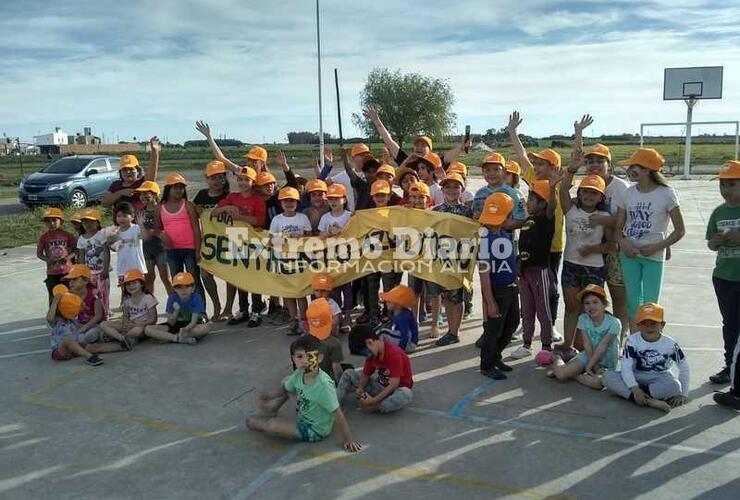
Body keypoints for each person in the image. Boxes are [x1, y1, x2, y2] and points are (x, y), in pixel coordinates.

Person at [509, 112, 580, 342]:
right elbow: (521, 156)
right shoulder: (533, 178)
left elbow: (574, 163)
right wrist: (512, 132)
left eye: (541, 163)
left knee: (551, 287)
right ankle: (526, 321)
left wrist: (578, 134)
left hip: (553, 246)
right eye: (536, 163)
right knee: (528, 287)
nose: (536, 166)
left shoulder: (561, 184)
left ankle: (551, 324)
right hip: (531, 244)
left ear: (554, 167)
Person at [246, 334, 362, 451]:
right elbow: (285, 388)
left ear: (319, 358)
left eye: (309, 356)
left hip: (314, 429)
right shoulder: (299, 373)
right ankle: (273, 409)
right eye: (300, 356)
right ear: (293, 359)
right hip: (304, 410)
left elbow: (338, 414)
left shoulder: (324, 386)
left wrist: (348, 439)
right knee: (286, 380)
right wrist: (269, 396)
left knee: (272, 425)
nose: (304, 361)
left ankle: (262, 424)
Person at [614, 148, 686, 331]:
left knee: (651, 304)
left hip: (653, 256)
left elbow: (680, 230)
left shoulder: (666, 193)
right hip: (629, 255)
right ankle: (634, 343)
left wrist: (658, 247)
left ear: (647, 169)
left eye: (634, 167)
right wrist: (624, 244)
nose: (629, 170)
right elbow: (617, 230)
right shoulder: (628, 193)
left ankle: (651, 343)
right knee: (633, 301)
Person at [557, 156, 615, 349]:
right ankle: (568, 345)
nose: (589, 196)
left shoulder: (604, 217)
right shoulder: (571, 210)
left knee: (591, 310)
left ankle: (587, 348)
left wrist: (593, 249)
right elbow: (563, 189)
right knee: (572, 307)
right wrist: (571, 170)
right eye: (585, 192)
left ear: (601, 197)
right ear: (580, 193)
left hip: (594, 268)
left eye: (594, 193)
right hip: (571, 265)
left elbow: (612, 246)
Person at [578, 140, 631, 342]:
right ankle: (592, 340)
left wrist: (604, 220)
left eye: (600, 161)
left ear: (609, 163)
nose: (594, 165)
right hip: (591, 253)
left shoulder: (621, 188)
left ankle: (618, 339)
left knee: (619, 298)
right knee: (593, 299)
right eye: (590, 161)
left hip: (615, 250)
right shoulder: (587, 185)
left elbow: (628, 219)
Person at [603, 303, 689, 412]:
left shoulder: (670, 344)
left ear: (662, 324)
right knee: (607, 377)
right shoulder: (632, 341)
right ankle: (650, 401)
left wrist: (683, 394)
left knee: (675, 386)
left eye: (653, 323)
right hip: (637, 375)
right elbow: (626, 367)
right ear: (638, 325)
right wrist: (634, 388)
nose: (648, 327)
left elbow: (684, 366)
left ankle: (638, 396)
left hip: (660, 376)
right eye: (644, 323)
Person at [211, 165, 267, 327]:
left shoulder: (257, 200)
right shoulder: (232, 197)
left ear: (253, 182)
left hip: (254, 241)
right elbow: (214, 213)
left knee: (254, 276)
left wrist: (241, 217)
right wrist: (226, 208)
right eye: (240, 179)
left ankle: (256, 310)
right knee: (240, 276)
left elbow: (259, 221)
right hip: (236, 239)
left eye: (246, 180)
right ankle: (243, 309)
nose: (242, 182)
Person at [511, 179, 557, 359]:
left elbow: (553, 205)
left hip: (540, 272)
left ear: (543, 203)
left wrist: (552, 187)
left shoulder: (547, 219)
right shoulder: (528, 219)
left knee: (543, 310)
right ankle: (526, 344)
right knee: (527, 310)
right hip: (525, 273)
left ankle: (546, 346)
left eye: (531, 200)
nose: (527, 202)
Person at [477, 192, 519, 379]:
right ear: (508, 216)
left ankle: (495, 357)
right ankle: (486, 365)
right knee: (494, 330)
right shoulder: (485, 240)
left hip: (510, 288)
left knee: (512, 324)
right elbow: (484, 274)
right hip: (497, 291)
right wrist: (490, 302)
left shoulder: (502, 233)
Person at [548, 285, 620, 389]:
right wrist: (592, 365)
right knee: (561, 375)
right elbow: (587, 344)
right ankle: (557, 357)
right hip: (589, 355)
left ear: (604, 304)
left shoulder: (614, 323)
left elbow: (602, 346)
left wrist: (591, 366)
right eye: (587, 303)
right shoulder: (583, 319)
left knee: (599, 383)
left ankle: (574, 374)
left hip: (606, 361)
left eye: (595, 302)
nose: (591, 306)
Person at [707, 160, 740, 385]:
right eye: (722, 185)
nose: (725, 190)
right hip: (724, 277)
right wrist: (716, 242)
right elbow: (710, 242)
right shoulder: (718, 212)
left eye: (731, 184)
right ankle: (730, 366)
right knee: (730, 324)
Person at [432, 173, 475, 347]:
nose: (451, 190)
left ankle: (454, 332)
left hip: (461, 260)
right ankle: (451, 330)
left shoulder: (467, 211)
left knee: (458, 297)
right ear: (442, 189)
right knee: (447, 297)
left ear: (462, 190)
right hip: (442, 260)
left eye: (456, 186)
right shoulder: (436, 211)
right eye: (448, 186)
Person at [337, 325, 414, 414]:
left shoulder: (394, 354)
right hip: (380, 386)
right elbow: (366, 374)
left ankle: (376, 407)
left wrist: (372, 401)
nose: (366, 356)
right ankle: (335, 406)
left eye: (364, 353)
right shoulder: (372, 354)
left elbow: (393, 385)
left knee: (406, 394)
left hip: (396, 390)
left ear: (369, 342)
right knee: (348, 373)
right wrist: (360, 388)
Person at [270, 187, 312, 335]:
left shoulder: (302, 218)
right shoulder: (277, 219)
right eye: (286, 201)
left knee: (300, 292)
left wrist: (298, 237)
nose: (289, 203)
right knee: (289, 292)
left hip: (300, 260)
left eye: (292, 201)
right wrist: (281, 237)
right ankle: (293, 320)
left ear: (297, 202)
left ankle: (304, 321)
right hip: (284, 260)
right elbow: (271, 240)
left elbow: (309, 237)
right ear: (281, 203)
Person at [193, 160, 231, 321]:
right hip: (209, 241)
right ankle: (216, 304)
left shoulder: (229, 195)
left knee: (231, 275)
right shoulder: (201, 196)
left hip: (228, 240)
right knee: (206, 273)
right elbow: (194, 216)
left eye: (221, 177)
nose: (217, 181)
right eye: (213, 178)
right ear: (207, 178)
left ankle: (228, 308)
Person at [156, 173, 203, 299]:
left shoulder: (188, 205)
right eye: (175, 187)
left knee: (194, 281)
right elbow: (157, 228)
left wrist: (198, 249)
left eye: (181, 187)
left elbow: (196, 229)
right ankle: (182, 312)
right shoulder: (160, 207)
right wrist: (163, 235)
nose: (179, 190)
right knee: (177, 282)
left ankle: (200, 312)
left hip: (190, 249)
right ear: (168, 189)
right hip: (171, 250)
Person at [48, 287, 119, 366]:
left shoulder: (73, 321)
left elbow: (82, 324)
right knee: (68, 340)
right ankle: (89, 357)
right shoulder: (56, 321)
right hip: (60, 350)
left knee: (94, 347)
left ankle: (123, 346)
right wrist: (56, 300)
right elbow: (50, 318)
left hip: (76, 349)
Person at [318, 184, 354, 333]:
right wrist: (328, 233)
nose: (333, 202)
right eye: (330, 199)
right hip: (331, 257)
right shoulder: (325, 217)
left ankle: (347, 316)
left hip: (346, 257)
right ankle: (336, 317)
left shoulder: (349, 216)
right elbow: (320, 236)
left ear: (344, 199)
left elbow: (354, 234)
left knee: (347, 288)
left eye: (336, 198)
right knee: (334, 287)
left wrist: (341, 232)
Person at [101, 137, 160, 220]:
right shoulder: (115, 185)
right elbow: (104, 203)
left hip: (141, 225)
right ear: (120, 172)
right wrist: (121, 193)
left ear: (138, 170)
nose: (128, 172)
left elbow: (152, 170)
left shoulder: (143, 183)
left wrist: (155, 151)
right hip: (121, 226)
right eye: (124, 170)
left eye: (131, 169)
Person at [144, 272, 211, 344]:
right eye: (179, 287)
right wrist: (176, 311)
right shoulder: (172, 298)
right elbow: (171, 322)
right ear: (174, 289)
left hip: (191, 326)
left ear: (193, 287)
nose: (183, 290)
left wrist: (185, 329)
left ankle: (168, 337)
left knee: (206, 328)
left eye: (187, 286)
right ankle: (177, 338)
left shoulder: (196, 297)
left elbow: (193, 322)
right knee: (147, 329)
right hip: (175, 325)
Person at [134, 181, 173, 298]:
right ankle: (150, 306)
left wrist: (151, 232)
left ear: (155, 195)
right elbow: (141, 234)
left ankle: (174, 304)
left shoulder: (162, 209)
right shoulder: (140, 212)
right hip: (146, 249)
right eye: (141, 194)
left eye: (147, 193)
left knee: (165, 278)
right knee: (149, 279)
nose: (143, 196)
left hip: (161, 249)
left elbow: (167, 229)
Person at [99, 270, 158, 346]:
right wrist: (124, 327)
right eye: (128, 284)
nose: (131, 286)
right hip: (130, 324)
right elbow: (125, 317)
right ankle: (121, 338)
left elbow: (153, 319)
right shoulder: (127, 299)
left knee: (136, 331)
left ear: (142, 284)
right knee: (104, 324)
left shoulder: (148, 298)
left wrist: (138, 324)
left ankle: (120, 337)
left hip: (143, 326)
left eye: (134, 283)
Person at [62, 264, 114, 349]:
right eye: (69, 280)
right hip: (80, 324)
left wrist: (85, 327)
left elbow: (98, 316)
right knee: (72, 335)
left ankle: (103, 336)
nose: (71, 283)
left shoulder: (94, 294)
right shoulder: (70, 295)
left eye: (74, 279)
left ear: (86, 281)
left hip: (96, 325)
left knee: (89, 336)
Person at [37, 207, 78, 304]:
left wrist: (68, 258)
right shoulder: (44, 237)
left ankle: (71, 314)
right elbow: (39, 253)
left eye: (54, 220)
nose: (51, 223)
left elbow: (76, 250)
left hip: (67, 271)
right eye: (48, 221)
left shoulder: (67, 235)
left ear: (61, 221)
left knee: (69, 294)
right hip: (52, 272)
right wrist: (47, 260)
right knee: (53, 295)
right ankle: (55, 315)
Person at [305, 296, 347, 383]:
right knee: (349, 371)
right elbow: (336, 369)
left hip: (309, 380)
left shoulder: (305, 342)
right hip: (326, 382)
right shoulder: (334, 343)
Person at [107, 201, 147, 291]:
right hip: (122, 269)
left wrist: (141, 224)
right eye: (119, 216)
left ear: (132, 217)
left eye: (125, 216)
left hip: (137, 268)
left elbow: (144, 237)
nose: (121, 219)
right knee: (124, 293)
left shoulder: (136, 228)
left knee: (140, 292)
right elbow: (112, 247)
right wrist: (110, 239)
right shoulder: (115, 231)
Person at [377, 284, 419, 353]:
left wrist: (400, 350)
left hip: (408, 345)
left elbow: (405, 335)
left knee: (383, 332)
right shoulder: (401, 313)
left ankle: (375, 348)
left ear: (398, 305)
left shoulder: (403, 317)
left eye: (389, 301)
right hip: (408, 342)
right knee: (385, 331)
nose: (386, 303)